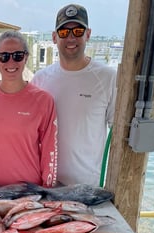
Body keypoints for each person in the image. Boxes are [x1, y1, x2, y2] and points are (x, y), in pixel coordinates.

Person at [31, 4, 117, 186]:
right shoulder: (40, 79)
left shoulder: (108, 77)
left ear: (88, 34)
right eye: (64, 32)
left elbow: (118, 134)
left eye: (77, 31)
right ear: (54, 37)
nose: (71, 38)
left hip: (86, 186)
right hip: (45, 184)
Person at [0, 30, 58, 189]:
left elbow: (50, 152)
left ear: (26, 57)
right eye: (4, 57)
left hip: (28, 192)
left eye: (18, 56)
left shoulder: (43, 100)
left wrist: (47, 190)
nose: (11, 62)